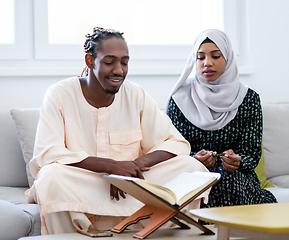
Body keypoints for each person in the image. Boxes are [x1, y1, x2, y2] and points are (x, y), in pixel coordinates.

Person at [27, 27, 209, 235]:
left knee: (190, 166)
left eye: (124, 62)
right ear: (89, 60)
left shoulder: (135, 94)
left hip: (131, 186)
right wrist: (111, 166)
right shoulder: (59, 94)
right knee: (52, 176)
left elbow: (176, 143)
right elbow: (48, 153)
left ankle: (162, 234)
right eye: (109, 62)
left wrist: (133, 167)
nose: (119, 70)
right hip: (86, 183)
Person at [166, 29, 277, 208]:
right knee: (209, 182)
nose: (207, 63)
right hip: (193, 175)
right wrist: (194, 159)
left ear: (228, 58)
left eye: (215, 56)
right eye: (200, 57)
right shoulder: (180, 99)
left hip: (237, 177)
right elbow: (174, 149)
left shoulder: (249, 99)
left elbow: (252, 152)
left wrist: (238, 160)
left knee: (226, 180)